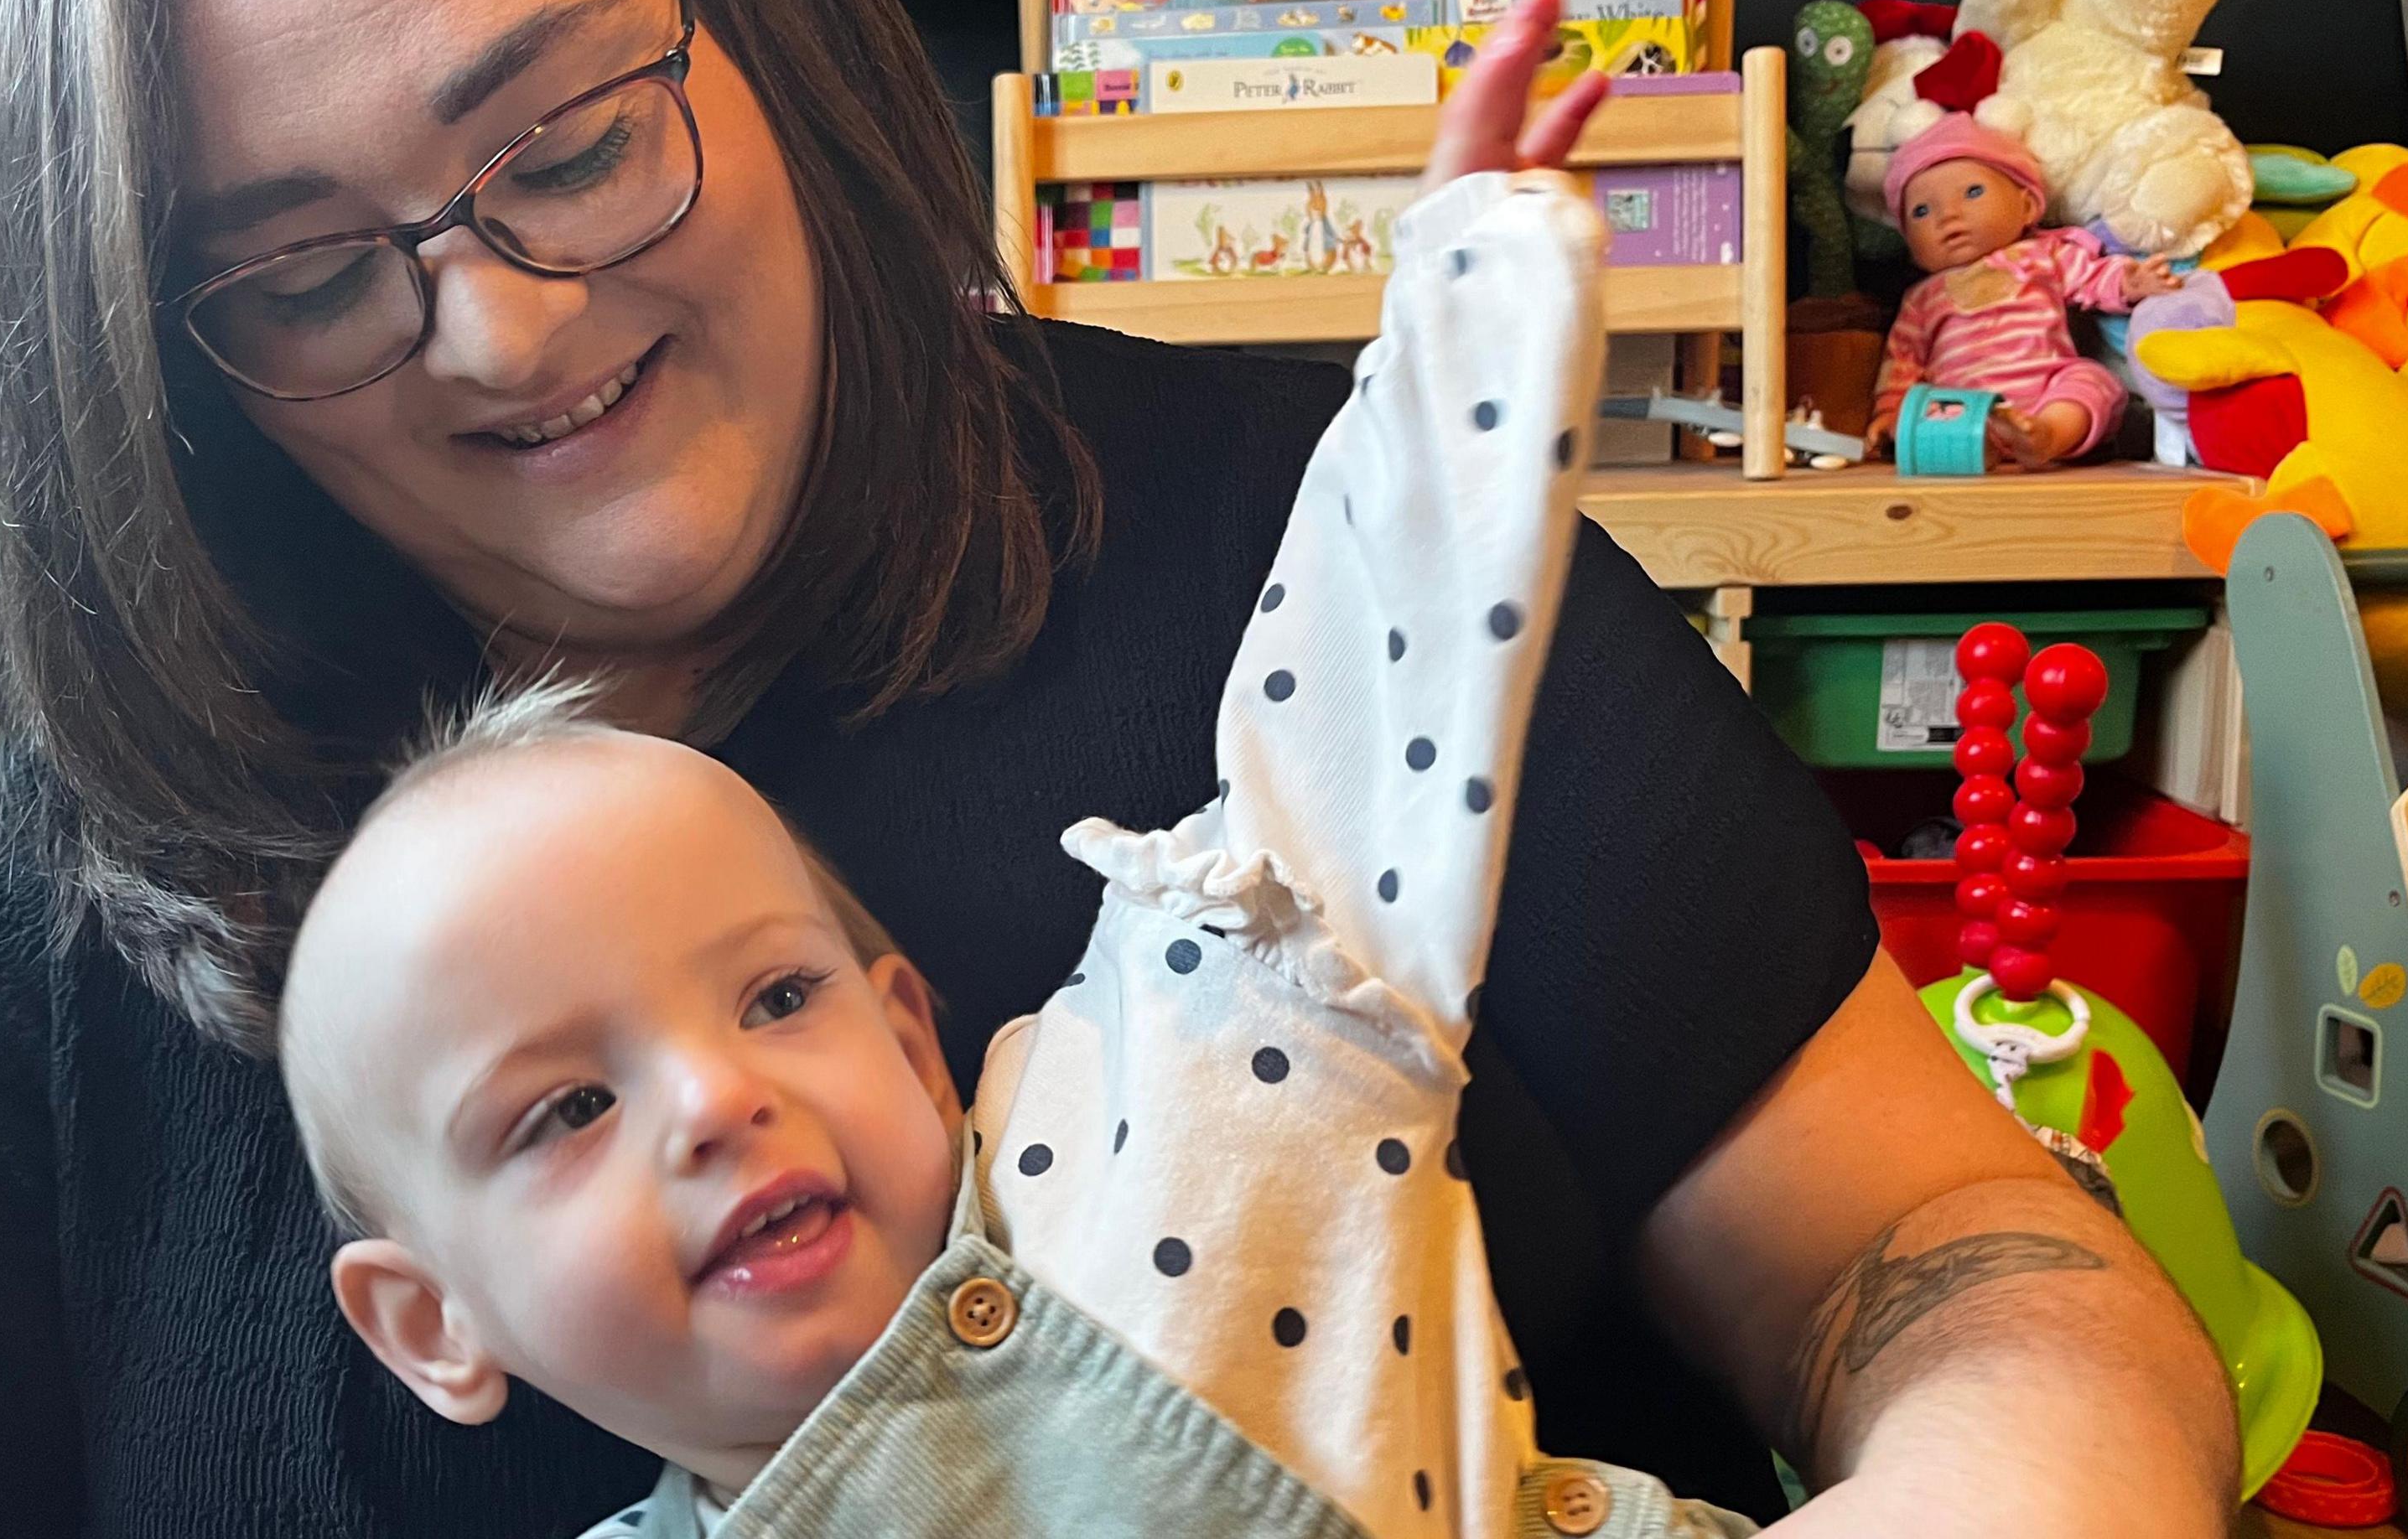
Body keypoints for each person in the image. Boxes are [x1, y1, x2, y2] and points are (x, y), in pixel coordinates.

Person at [0, 0, 2238, 1533]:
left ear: (757, 26)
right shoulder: (10, 866)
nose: (506, 327)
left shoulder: (1311, 569)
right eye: (293, 276)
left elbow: (1946, 1262)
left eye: (570, 139)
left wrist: (2013, 1468)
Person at [283, 168, 1761, 1536]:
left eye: (781, 999)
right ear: (433, 1327)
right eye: (567, 1111)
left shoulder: (1162, 1124)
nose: (720, 1100)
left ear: (918, 1049)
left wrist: (1472, 310)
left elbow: (1359, 740)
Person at [1867, 114, 2182, 469]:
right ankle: (1980, 446)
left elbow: (2092, 278)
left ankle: (2047, 436)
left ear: (2027, 206)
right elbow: (1902, 362)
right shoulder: (1922, 298)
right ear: (1910, 244)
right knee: (1930, 411)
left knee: (2094, 381)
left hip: (2049, 392)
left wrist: (2131, 283)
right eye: (1922, 211)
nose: (1947, 216)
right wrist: (1891, 413)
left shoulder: (2044, 255)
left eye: (1972, 192)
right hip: (1962, 409)